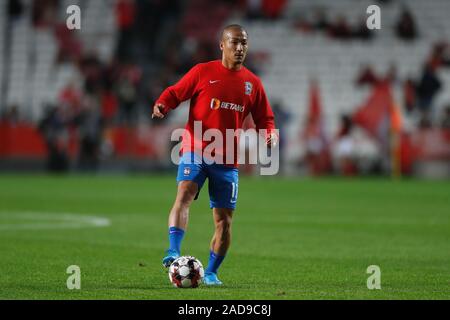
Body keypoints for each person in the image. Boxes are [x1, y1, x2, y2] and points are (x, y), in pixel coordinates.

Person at [152, 24, 278, 286]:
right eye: (234, 42)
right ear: (222, 45)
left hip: (227, 160)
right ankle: (173, 250)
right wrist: (163, 103)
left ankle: (210, 272)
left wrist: (270, 133)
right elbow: (176, 93)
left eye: (244, 43)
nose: (240, 48)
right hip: (196, 149)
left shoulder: (252, 84)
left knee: (224, 223)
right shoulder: (202, 72)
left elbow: (265, 118)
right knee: (185, 193)